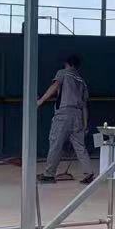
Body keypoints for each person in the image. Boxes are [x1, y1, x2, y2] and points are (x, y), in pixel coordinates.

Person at [37, 54, 91, 183]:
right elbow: (85, 106)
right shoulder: (82, 81)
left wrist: (40, 101)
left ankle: (49, 174)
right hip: (78, 116)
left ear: (68, 64)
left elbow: (55, 86)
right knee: (80, 147)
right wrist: (85, 124)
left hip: (64, 114)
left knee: (55, 143)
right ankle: (89, 172)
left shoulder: (63, 73)